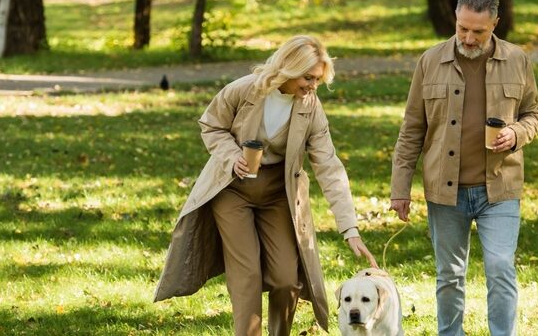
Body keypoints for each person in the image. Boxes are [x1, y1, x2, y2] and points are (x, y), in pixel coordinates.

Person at [154, 35, 378, 336]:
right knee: (246, 276)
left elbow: (329, 165)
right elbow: (211, 124)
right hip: (232, 189)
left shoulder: (310, 106)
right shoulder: (245, 89)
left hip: (278, 194)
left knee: (287, 278)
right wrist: (232, 157)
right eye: (308, 78)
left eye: (318, 80)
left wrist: (349, 227)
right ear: (288, 69)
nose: (313, 86)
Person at [389, 0, 538, 336]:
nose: (469, 38)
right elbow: (412, 129)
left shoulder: (518, 60)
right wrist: (400, 189)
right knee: (450, 274)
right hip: (446, 191)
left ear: (495, 25)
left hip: (500, 188)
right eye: (462, 29)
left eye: (478, 31)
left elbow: (532, 114)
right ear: (455, 21)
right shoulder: (430, 61)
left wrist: (517, 134)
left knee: (501, 266)